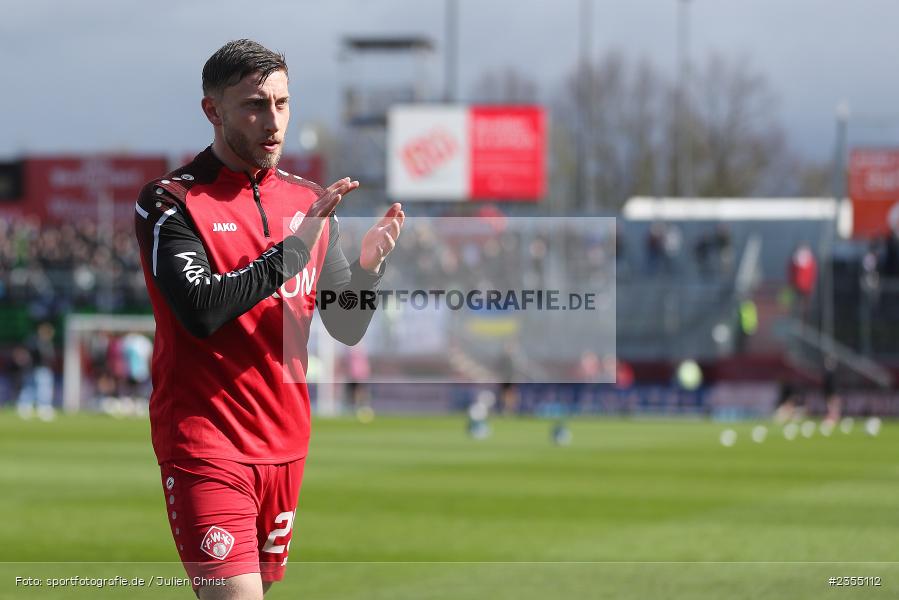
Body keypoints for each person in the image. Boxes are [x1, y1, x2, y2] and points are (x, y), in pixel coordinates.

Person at [134, 39, 405, 599]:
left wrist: (369, 270)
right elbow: (202, 311)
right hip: (206, 444)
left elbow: (344, 325)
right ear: (213, 110)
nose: (273, 121)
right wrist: (293, 252)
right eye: (255, 105)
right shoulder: (170, 201)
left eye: (282, 103)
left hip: (286, 446)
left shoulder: (308, 202)